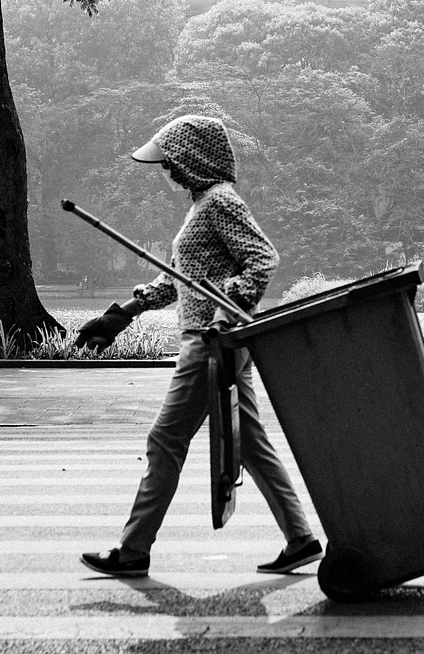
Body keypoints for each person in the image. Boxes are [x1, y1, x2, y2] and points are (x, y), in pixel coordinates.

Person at [75, 114, 322, 578]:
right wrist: (122, 314)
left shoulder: (219, 202)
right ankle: (301, 538)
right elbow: (180, 282)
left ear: (193, 160)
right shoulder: (201, 206)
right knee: (249, 442)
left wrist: (224, 313)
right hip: (221, 340)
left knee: (165, 440)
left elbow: (262, 260)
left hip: (209, 342)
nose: (166, 172)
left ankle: (133, 550)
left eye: (171, 162)